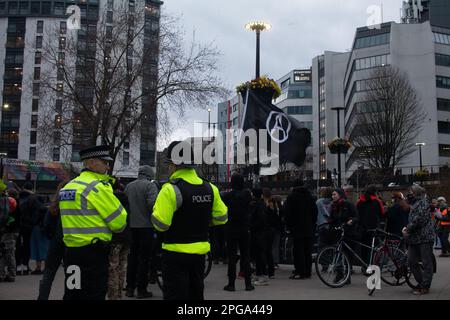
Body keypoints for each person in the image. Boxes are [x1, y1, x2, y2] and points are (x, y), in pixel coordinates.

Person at [151, 140, 228, 300]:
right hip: (200, 255)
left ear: (174, 165)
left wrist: (154, 214)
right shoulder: (210, 188)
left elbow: (161, 225)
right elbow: (222, 218)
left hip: (174, 254)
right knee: (196, 295)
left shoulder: (170, 189)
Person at [59, 145, 127, 300]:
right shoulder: (97, 188)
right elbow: (119, 223)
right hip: (93, 255)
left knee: (72, 292)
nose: (108, 166)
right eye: (104, 162)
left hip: (71, 253)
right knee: (94, 294)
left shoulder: (68, 187)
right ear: (92, 163)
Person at [124, 165, 158, 299]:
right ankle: (141, 289)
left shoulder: (129, 186)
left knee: (132, 257)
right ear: (150, 174)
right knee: (144, 258)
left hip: (131, 227)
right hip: (146, 227)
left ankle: (130, 287)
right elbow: (152, 205)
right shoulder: (150, 186)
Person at [221, 173, 254, 292]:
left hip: (231, 228)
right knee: (246, 256)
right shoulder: (247, 195)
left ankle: (231, 284)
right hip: (244, 228)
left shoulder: (228, 196)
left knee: (232, 257)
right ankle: (248, 284)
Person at [37, 180, 68, 300]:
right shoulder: (74, 208)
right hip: (70, 243)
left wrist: (53, 236)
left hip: (55, 243)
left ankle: (42, 297)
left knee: (48, 274)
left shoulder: (53, 208)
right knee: (71, 273)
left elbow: (46, 225)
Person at [402, 185, 435, 295]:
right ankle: (422, 283)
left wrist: (408, 228)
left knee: (426, 263)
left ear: (416, 193)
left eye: (411, 191)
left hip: (425, 237)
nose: (409, 193)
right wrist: (408, 229)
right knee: (411, 261)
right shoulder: (413, 204)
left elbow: (419, 219)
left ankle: (425, 286)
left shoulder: (423, 203)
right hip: (414, 238)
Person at [285, 180, 318, 280]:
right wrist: (312, 224)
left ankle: (300, 271)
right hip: (308, 228)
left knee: (298, 250)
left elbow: (288, 213)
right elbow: (315, 213)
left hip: (296, 228)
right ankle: (308, 271)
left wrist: (289, 226)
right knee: (307, 251)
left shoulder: (291, 197)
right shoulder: (310, 197)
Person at [328, 188, 358, 284]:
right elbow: (332, 219)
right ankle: (340, 273)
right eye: (332, 195)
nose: (333, 196)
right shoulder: (333, 206)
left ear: (340, 195)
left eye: (334, 194)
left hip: (348, 232)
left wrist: (351, 221)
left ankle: (347, 275)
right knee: (338, 253)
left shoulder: (348, 204)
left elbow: (356, 216)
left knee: (347, 255)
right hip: (338, 232)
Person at [107, 181, 132, 300]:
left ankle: (113, 296)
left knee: (113, 268)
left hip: (115, 238)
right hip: (126, 237)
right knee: (122, 267)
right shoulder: (126, 199)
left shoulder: (110, 199)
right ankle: (119, 293)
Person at [356, 185, 385, 267]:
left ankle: (364, 265)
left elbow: (356, 214)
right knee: (373, 247)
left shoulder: (359, 201)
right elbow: (382, 213)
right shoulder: (377, 201)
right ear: (375, 192)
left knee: (364, 247)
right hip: (374, 228)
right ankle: (372, 265)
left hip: (362, 228)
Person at [249, 188, 269, 286]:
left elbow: (260, 220)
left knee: (260, 255)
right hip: (260, 232)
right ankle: (259, 274)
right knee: (258, 255)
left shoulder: (258, 205)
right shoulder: (261, 204)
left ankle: (263, 276)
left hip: (258, 233)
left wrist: (251, 226)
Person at [0, 186, 18, 282]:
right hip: (11, 231)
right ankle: (8, 274)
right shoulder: (14, 203)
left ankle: (8, 274)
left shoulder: (11, 202)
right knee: (9, 253)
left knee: (7, 253)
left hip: (8, 231)